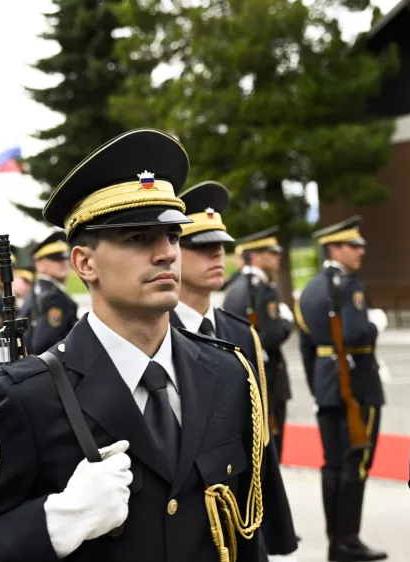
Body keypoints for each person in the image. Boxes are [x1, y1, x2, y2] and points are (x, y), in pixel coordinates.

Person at [0, 128, 267, 562]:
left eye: (172, 236)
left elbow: (243, 526)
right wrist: (60, 519)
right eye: (138, 238)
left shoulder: (227, 371)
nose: (166, 253)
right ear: (84, 262)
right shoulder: (27, 394)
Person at [170, 181, 299, 561]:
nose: (216, 255)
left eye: (220, 246)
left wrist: (273, 527)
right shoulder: (160, 334)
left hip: (242, 516)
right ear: (172, 251)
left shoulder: (240, 333)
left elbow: (258, 444)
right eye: (200, 246)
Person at [296, 216, 388, 561]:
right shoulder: (349, 286)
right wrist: (375, 324)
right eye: (354, 245)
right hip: (358, 386)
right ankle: (348, 540)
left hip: (326, 386)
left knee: (332, 464)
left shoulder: (310, 289)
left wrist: (319, 389)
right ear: (334, 247)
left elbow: (307, 348)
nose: (360, 251)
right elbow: (354, 335)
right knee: (356, 464)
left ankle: (336, 539)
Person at [223, 226, 294, 451]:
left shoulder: (236, 286)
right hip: (267, 376)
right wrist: (286, 322)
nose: (277, 256)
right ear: (254, 256)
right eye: (271, 252)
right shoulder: (260, 289)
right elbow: (272, 335)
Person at [21, 231, 78, 355]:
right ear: (39, 264)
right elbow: (44, 345)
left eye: (64, 258)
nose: (63, 263)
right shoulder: (55, 297)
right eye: (55, 259)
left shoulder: (36, 290)